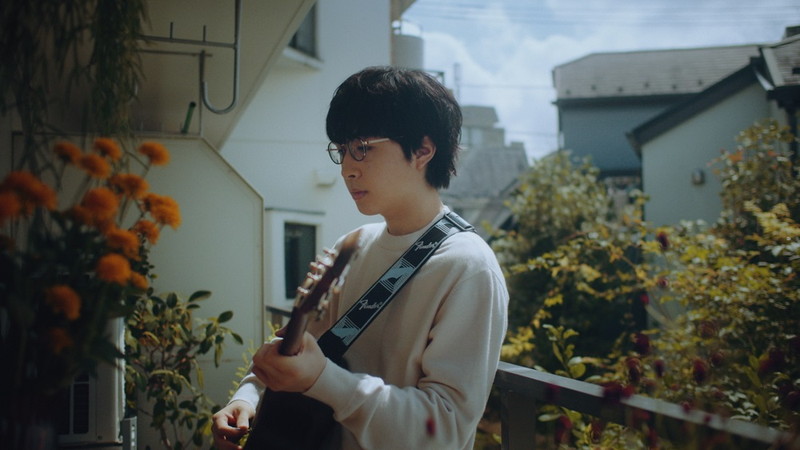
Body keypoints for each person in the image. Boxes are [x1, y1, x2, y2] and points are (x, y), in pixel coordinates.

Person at [212, 66, 508, 450]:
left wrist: (323, 380)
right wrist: (248, 397)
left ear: (423, 150)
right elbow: (298, 348)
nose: (348, 169)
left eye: (363, 148)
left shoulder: (469, 267)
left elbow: (444, 431)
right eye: (342, 150)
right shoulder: (353, 245)